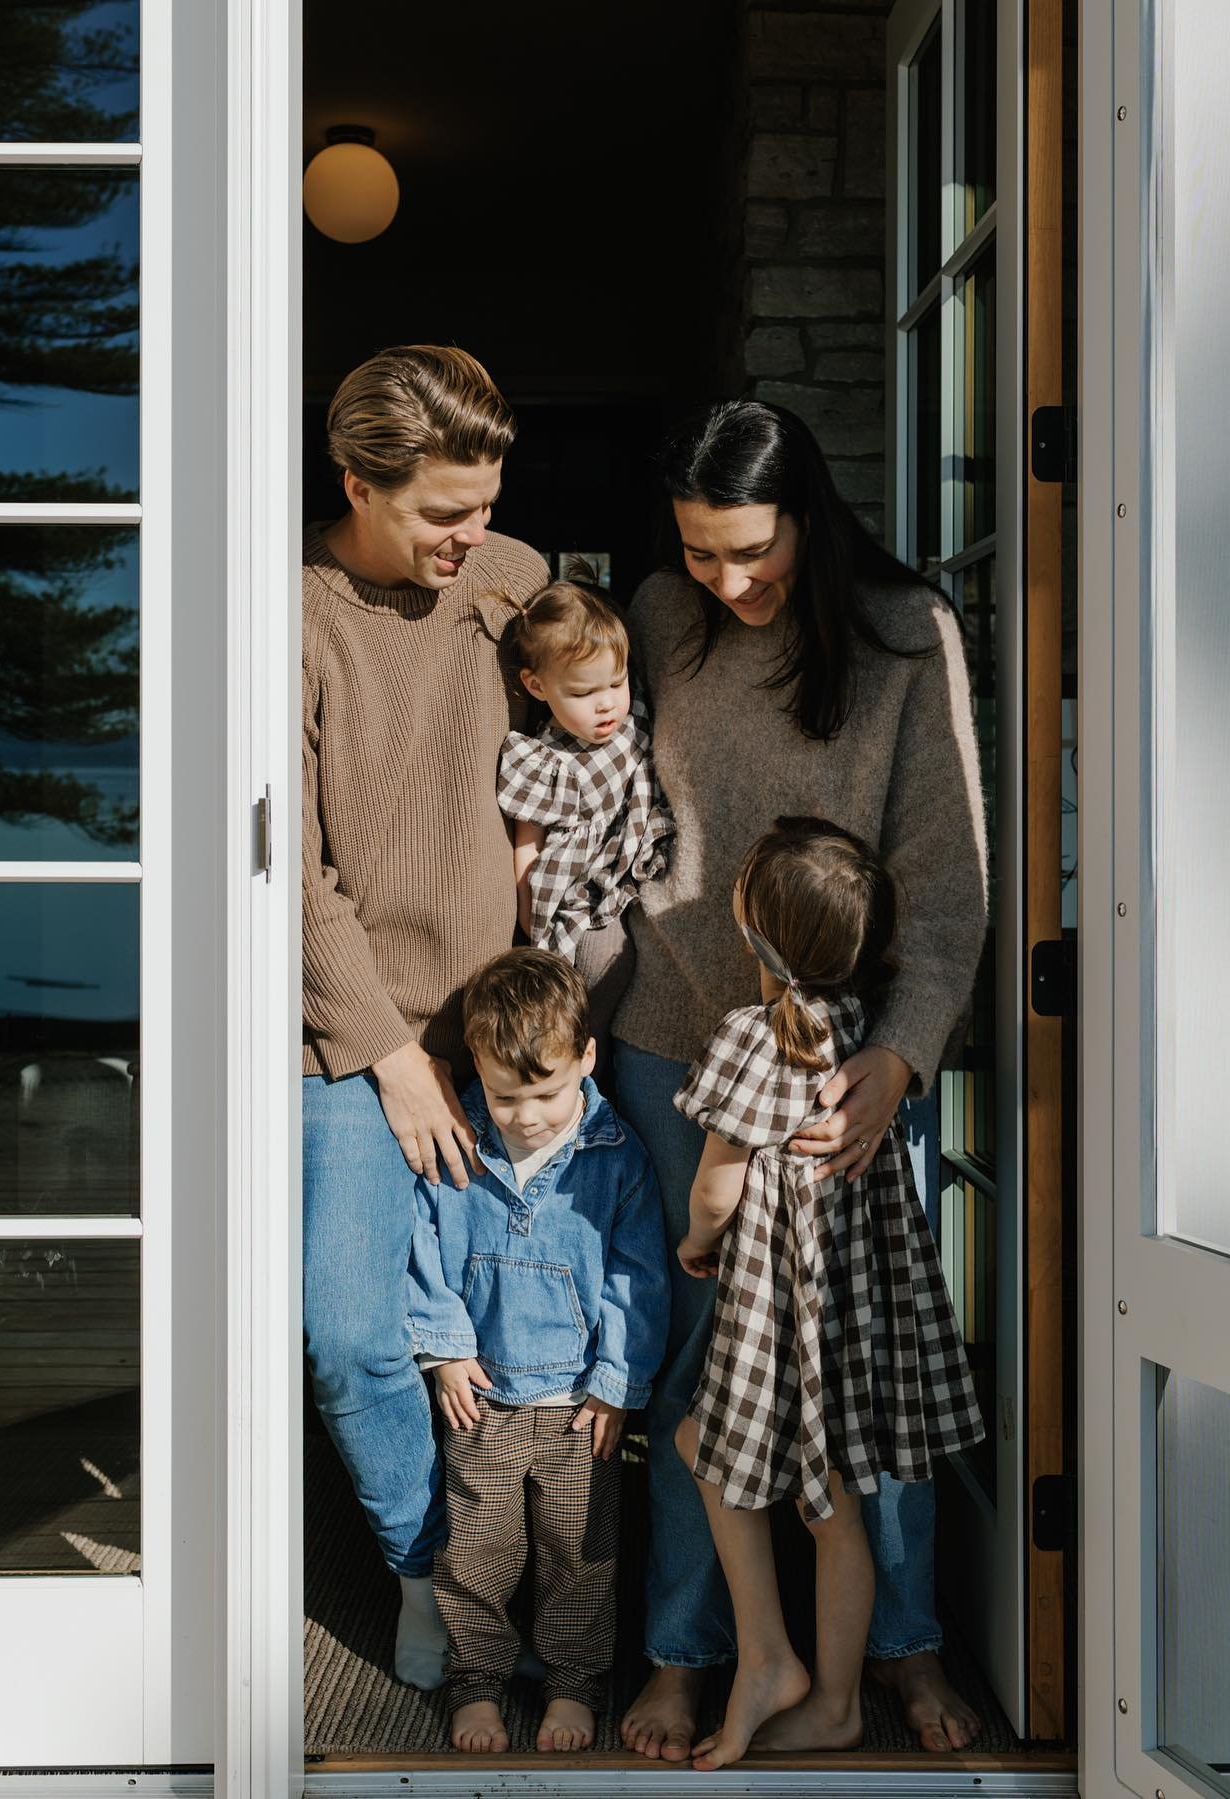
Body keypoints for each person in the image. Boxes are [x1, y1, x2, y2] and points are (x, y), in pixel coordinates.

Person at [614, 399, 988, 1759]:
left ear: (808, 516)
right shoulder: (661, 614)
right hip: (676, 1039)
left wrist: (899, 1054)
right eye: (703, 553)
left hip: (843, 1064)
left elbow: (948, 883)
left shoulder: (902, 634)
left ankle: (899, 1644)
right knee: (694, 1360)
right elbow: (613, 806)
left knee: (860, 1376)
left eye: (752, 551)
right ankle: (685, 1649)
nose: (728, 581)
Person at [302, 346, 549, 1689]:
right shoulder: (296, 609)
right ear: (358, 483)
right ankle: (424, 1567)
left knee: (536, 1333)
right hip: (353, 1042)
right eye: (443, 514)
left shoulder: (509, 579)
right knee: (350, 1336)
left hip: (516, 1031)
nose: (472, 537)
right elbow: (284, 866)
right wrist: (393, 1055)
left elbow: (595, 726)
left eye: (486, 503)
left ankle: (541, 1588)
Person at [670, 818, 984, 1767]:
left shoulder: (752, 1040)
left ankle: (770, 1659)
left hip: (780, 1309)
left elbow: (719, 1183)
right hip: (857, 1304)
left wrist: (695, 1240)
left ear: (749, 927)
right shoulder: (860, 1027)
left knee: (708, 1448)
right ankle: (833, 1696)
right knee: (834, 1494)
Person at [408, 949, 670, 1753]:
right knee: (477, 1555)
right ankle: (477, 1680)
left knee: (579, 1556)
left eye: (548, 1093)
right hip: (482, 1398)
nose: (526, 1116)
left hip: (577, 1411)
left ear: (587, 1059)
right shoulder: (460, 1148)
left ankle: (572, 1682)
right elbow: (421, 1247)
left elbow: (637, 1278)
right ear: (476, 1073)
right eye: (505, 1094)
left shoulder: (615, 1159)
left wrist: (617, 1384)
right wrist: (446, 1351)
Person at [498, 568, 674, 1048]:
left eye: (614, 684)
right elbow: (527, 839)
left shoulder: (631, 713)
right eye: (582, 693)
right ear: (537, 687)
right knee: (600, 964)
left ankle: (594, 1056)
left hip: (630, 866)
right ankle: (579, 1053)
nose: (606, 706)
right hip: (577, 888)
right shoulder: (544, 760)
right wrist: (529, 911)